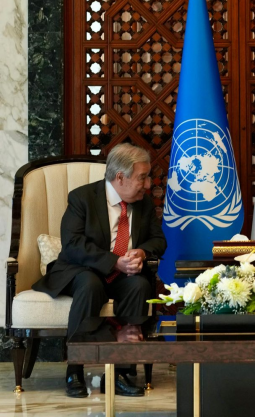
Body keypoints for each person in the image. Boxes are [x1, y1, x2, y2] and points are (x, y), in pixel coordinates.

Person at [32, 143, 167, 398]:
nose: (148, 184)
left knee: (140, 285)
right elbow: (73, 244)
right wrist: (114, 262)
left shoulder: (144, 204)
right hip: (81, 270)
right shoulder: (82, 198)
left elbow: (158, 241)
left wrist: (141, 252)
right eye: (143, 177)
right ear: (120, 177)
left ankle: (121, 372)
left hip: (123, 276)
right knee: (90, 284)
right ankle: (75, 369)